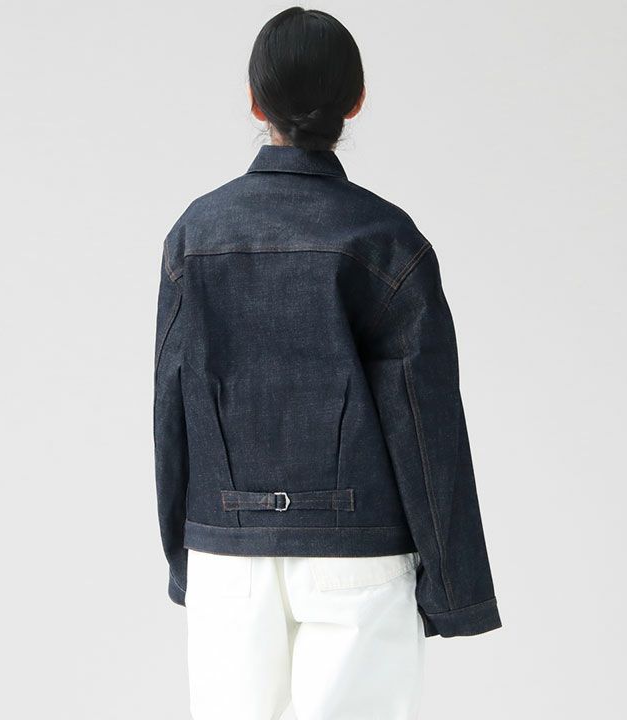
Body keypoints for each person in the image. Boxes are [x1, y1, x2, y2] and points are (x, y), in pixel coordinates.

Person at [153, 7, 501, 719]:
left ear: (255, 103)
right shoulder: (386, 238)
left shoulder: (195, 234)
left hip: (227, 554)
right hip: (358, 555)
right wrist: (454, 588)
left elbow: (171, 407)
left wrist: (185, 554)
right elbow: (427, 425)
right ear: (356, 101)